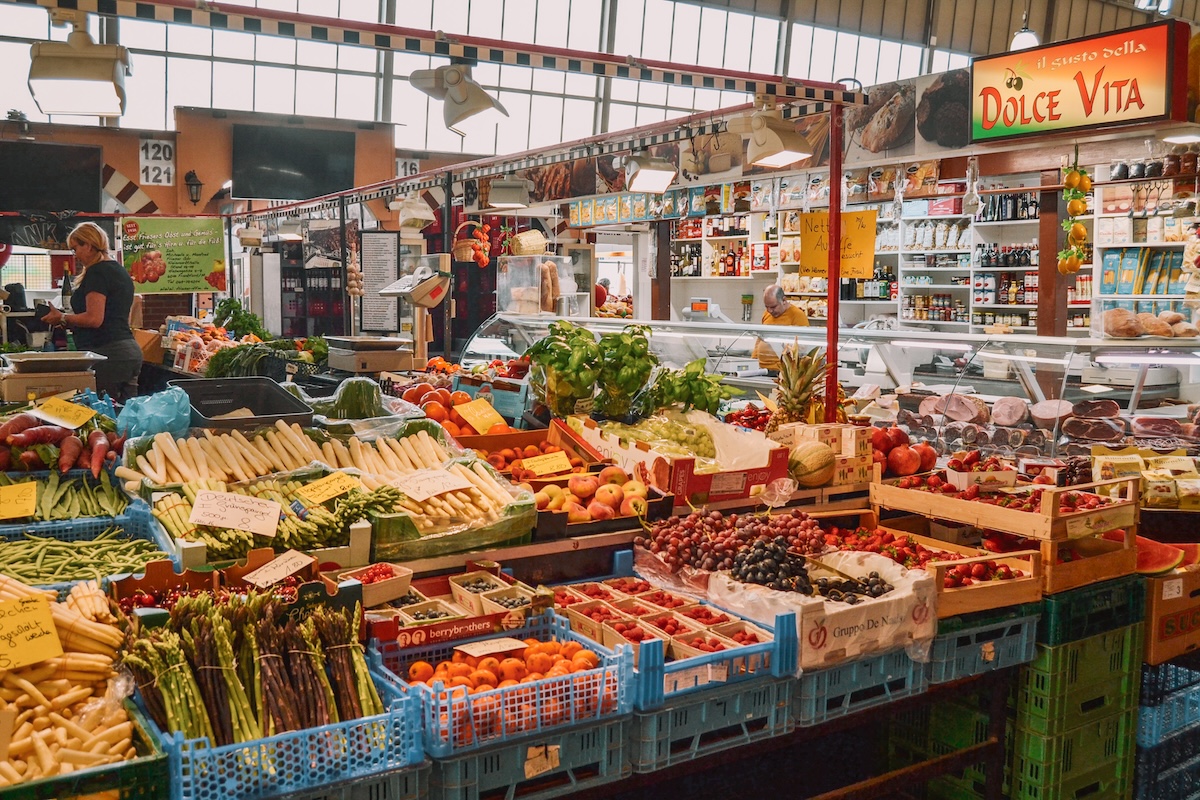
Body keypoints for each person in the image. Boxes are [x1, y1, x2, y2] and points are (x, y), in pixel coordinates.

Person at [41, 223, 141, 401]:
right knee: (126, 417)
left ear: (88, 245)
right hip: (128, 352)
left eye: (75, 248)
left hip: (107, 355)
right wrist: (66, 321)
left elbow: (94, 319)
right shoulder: (119, 271)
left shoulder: (98, 272)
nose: (75, 255)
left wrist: (62, 317)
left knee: (103, 416)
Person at [754, 284, 809, 370]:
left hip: (782, 371)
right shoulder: (766, 314)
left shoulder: (797, 315)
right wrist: (753, 360)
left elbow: (802, 347)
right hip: (761, 369)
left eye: (773, 307)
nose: (769, 311)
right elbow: (760, 338)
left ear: (784, 300)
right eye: (766, 307)